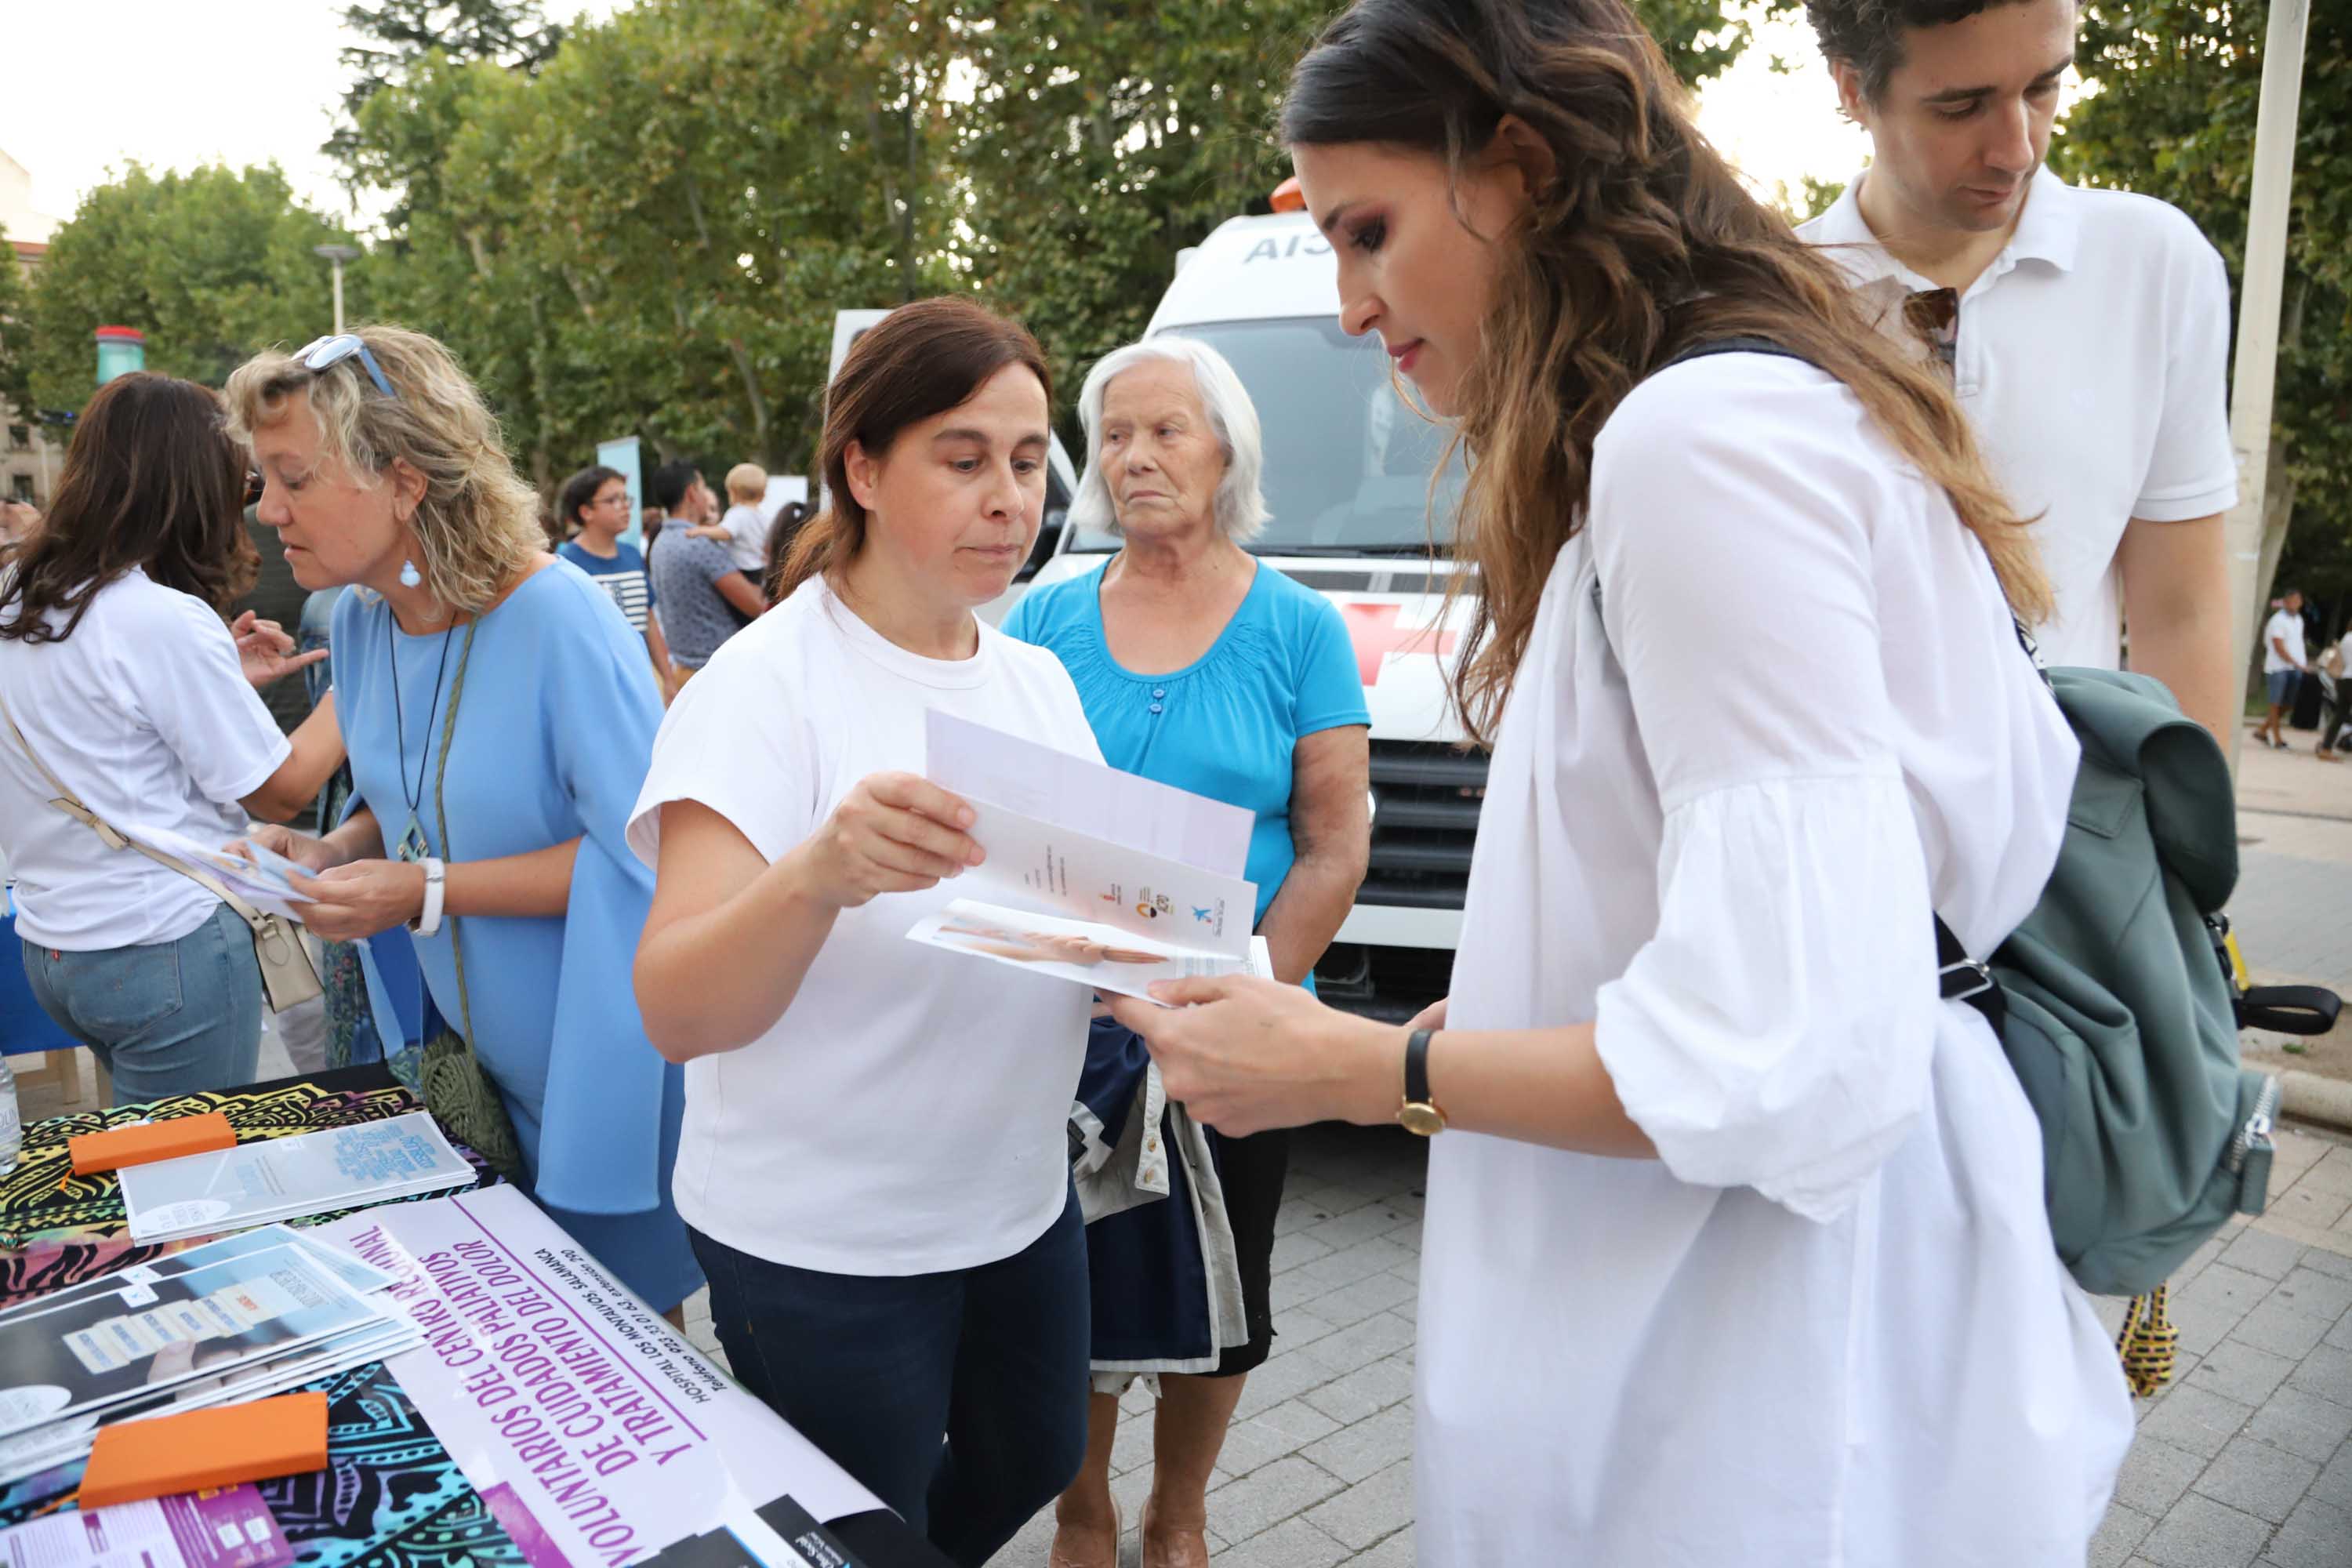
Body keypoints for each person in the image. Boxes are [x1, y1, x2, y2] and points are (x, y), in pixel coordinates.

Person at [1104, 2, 2136, 1562]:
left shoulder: (1702, 439)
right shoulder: (1725, 413)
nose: (1348, 303)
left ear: (1516, 169)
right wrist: (1524, 1001)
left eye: (1370, 231)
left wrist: (1361, 1070)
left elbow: (1798, 1047)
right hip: (1766, 1313)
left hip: (1763, 1359)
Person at [630, 298, 1097, 1566]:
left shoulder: (1039, 682)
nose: (1009, 497)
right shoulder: (764, 689)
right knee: (861, 1526)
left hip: (1013, 1201)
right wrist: (822, 873)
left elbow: (1077, 922)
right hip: (824, 1239)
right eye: (964, 457)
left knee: (1037, 1453)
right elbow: (675, 1007)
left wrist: (1157, 966)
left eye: (1024, 459)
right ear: (863, 467)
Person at [223, 326, 700, 1317]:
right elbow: (400, 796)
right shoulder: (359, 616)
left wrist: (426, 891)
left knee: (615, 1354)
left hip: (596, 1069)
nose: (267, 512)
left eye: (292, 478)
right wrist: (328, 852)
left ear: (403, 480)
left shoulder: (559, 618)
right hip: (466, 1078)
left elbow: (649, 853)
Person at [1002, 336, 1370, 1568]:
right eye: (1115, 434)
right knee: (1076, 1286)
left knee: (1228, 1292)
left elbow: (1331, 842)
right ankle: (1084, 1508)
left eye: (1166, 430)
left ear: (1228, 450)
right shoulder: (1046, 616)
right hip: (1074, 1026)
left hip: (1240, 1031)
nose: (1135, 457)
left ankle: (1182, 1512)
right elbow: (1010, 824)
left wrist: (1250, 989)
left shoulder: (1299, 626)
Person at [1796, 0, 2238, 742]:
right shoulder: (1758, 302)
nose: (2017, 150)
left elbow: (2182, 613)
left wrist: (2191, 850)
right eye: (1961, 106)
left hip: (2074, 837)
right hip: (1833, 832)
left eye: (2044, 87)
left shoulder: (2155, 265)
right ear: (1851, 90)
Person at [0, 373, 342, 1101]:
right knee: (190, 1189)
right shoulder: (157, 618)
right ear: (193, 486)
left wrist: (216, 683)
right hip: (165, 947)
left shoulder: (16, 598)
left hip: (56, 946)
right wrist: (359, 690)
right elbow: (281, 792)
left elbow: (91, 732)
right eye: (244, 485)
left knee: (142, 1170)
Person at [644, 459, 763, 691]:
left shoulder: (661, 540)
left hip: (685, 669)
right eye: (703, 488)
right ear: (691, 493)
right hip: (716, 674)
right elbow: (753, 604)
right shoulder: (698, 544)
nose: (707, 495)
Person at [555, 465, 673, 693]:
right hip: (596, 686)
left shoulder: (631, 554)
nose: (625, 508)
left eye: (625, 499)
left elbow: (648, 620)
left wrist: (667, 678)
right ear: (586, 512)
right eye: (613, 500)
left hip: (641, 678)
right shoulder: (566, 563)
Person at [683, 460, 775, 576]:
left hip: (744, 569)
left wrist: (700, 530)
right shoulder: (763, 516)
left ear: (733, 493)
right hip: (760, 568)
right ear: (763, 496)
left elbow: (725, 533)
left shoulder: (738, 513)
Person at [2256, 589, 2310, 751]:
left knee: (2289, 704)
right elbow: (2278, 646)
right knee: (2275, 703)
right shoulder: (2278, 620)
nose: (2295, 603)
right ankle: (2278, 739)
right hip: (2278, 667)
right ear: (2285, 602)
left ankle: (2263, 730)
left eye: (2298, 600)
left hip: (2295, 668)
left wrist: (2300, 663)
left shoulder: (2299, 620)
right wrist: (2296, 663)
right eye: (2292, 600)